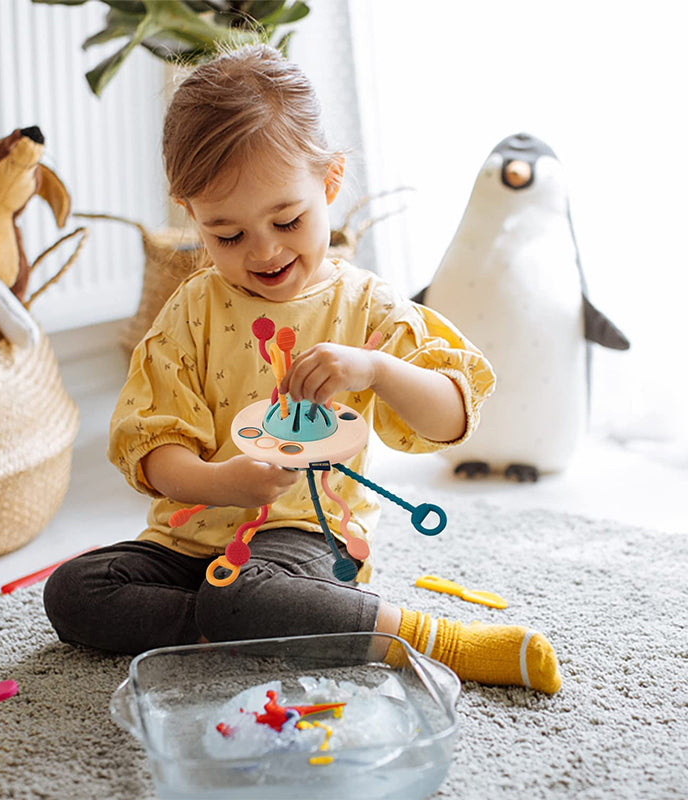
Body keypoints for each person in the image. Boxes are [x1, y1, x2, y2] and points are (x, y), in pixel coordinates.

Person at [44, 45, 561, 694]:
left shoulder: (368, 307)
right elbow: (152, 444)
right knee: (72, 592)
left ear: (331, 182)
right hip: (187, 543)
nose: (262, 250)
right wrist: (218, 481)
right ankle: (235, 626)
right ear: (192, 215)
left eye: (286, 220)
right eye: (226, 235)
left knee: (246, 593)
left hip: (303, 540)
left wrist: (376, 369)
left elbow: (454, 412)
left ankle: (435, 640)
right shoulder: (190, 310)